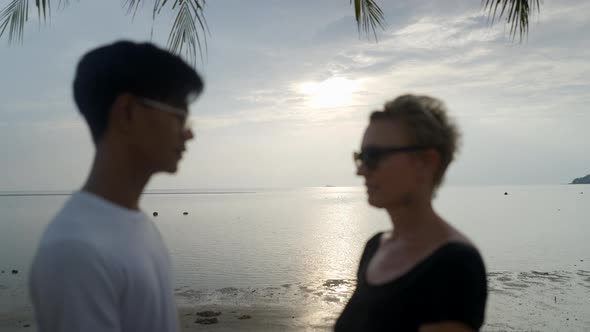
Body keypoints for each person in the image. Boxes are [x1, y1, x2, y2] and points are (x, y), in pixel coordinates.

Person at [29, 41, 204, 332]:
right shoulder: (74, 252)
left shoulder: (135, 224)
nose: (189, 133)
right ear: (127, 112)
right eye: (179, 115)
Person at [335, 95, 487, 331]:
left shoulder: (454, 265)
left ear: (427, 162)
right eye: (360, 158)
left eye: (373, 157)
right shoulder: (375, 247)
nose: (362, 171)